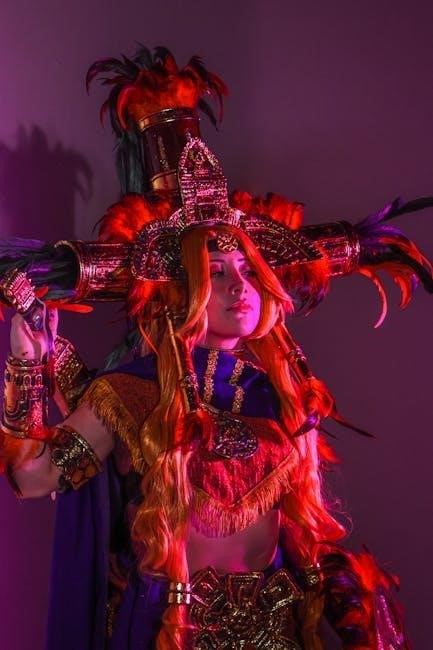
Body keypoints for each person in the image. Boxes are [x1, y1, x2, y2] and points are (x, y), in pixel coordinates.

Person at [1, 46, 430, 650]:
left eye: (249, 270)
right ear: (182, 287)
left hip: (279, 632)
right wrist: (25, 362)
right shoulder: (128, 394)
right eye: (218, 270)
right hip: (170, 633)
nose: (239, 286)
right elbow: (32, 478)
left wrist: (352, 602)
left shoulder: (282, 395)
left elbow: (303, 537)